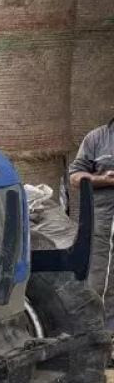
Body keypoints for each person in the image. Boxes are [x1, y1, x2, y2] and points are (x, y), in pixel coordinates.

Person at [68, 118, 114, 330]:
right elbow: (76, 177)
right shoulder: (97, 138)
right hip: (104, 221)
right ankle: (101, 334)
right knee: (100, 279)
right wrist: (103, 179)